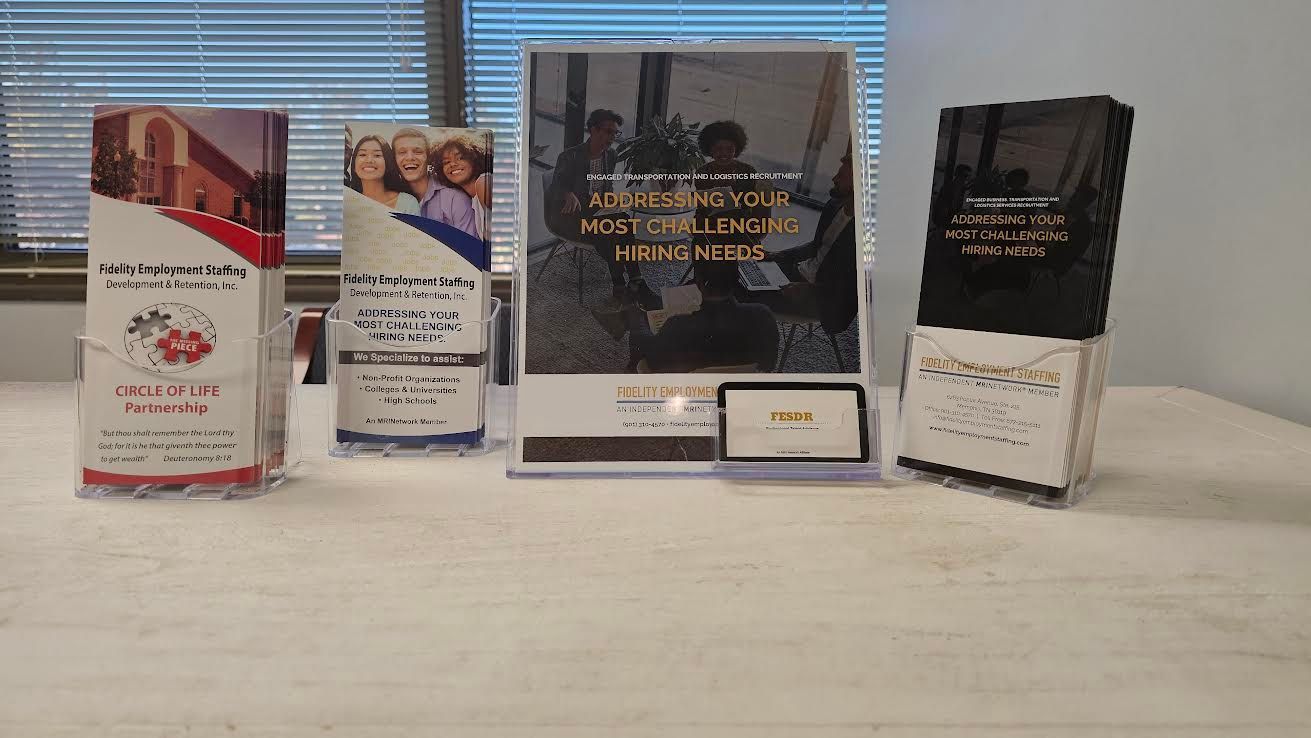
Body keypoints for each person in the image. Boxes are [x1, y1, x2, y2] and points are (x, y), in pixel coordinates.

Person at [547, 108, 656, 308]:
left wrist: (612, 201)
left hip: (598, 213)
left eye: (615, 133)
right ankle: (627, 285)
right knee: (611, 229)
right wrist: (567, 193)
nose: (612, 137)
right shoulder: (569, 156)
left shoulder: (611, 155)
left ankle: (632, 281)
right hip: (570, 216)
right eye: (608, 132)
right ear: (593, 130)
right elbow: (556, 186)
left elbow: (606, 187)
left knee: (622, 221)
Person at [761, 146, 859, 336]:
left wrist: (809, 290)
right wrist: (778, 255)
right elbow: (816, 246)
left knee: (754, 298)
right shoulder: (834, 206)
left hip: (825, 298)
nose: (834, 179)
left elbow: (850, 288)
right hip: (802, 274)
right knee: (751, 272)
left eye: (841, 176)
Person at [628, 258, 779, 372]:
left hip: (692, 393)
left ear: (698, 283)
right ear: (737, 281)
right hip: (738, 392)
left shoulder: (677, 325)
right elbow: (769, 365)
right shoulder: (764, 317)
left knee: (637, 325)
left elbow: (653, 362)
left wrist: (638, 321)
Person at [391, 128, 476, 232]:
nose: (410, 157)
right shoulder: (390, 198)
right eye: (402, 152)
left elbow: (467, 242)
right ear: (394, 159)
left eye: (418, 151)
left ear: (428, 157)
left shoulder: (455, 200)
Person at [432, 132, 491, 240]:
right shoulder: (470, 198)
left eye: (460, 158)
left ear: (474, 158)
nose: (452, 164)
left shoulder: (483, 183)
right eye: (446, 162)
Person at [348, 135, 419, 214]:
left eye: (377, 155)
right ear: (354, 165)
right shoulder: (347, 204)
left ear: (387, 163)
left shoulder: (407, 203)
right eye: (363, 155)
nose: (369, 160)